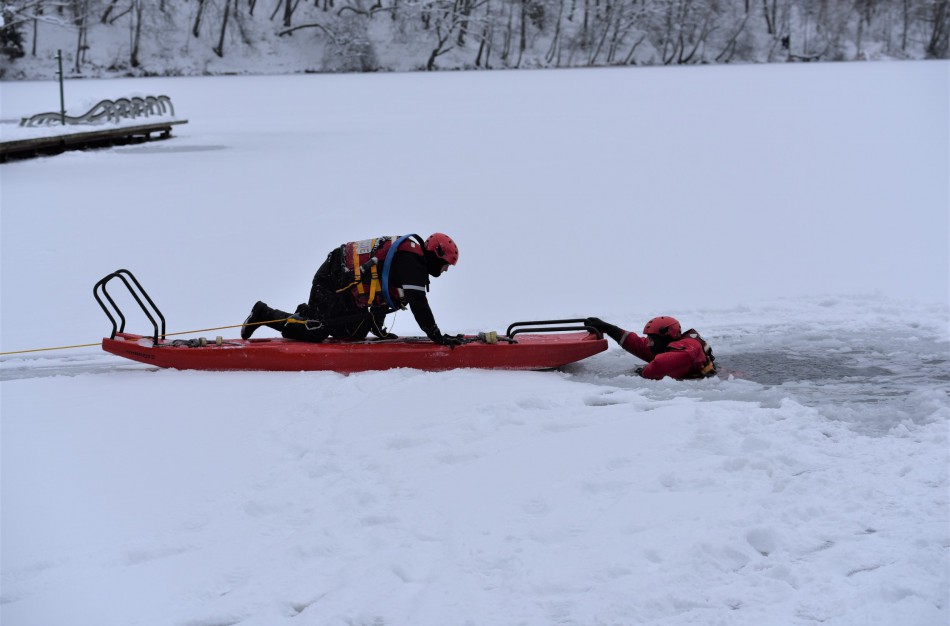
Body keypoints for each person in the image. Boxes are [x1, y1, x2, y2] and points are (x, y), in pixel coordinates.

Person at [242, 233, 462, 346]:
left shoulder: (410, 259)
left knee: (354, 332)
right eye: (445, 265)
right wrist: (437, 337)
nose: (445, 270)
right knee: (316, 329)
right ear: (435, 254)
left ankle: (312, 313)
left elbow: (379, 291)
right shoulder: (412, 263)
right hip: (331, 278)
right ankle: (264, 313)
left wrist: (379, 330)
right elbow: (419, 304)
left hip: (344, 282)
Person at [585, 315, 716, 380]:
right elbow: (638, 345)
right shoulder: (667, 345)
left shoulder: (689, 346)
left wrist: (642, 371)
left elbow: (658, 366)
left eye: (652, 340)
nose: (648, 343)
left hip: (724, 378)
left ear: (666, 337)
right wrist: (609, 328)